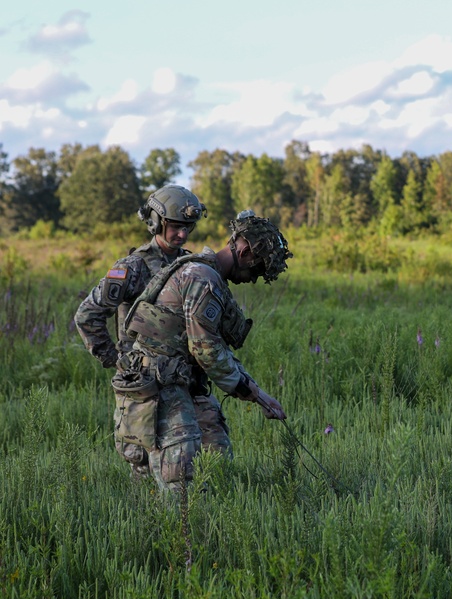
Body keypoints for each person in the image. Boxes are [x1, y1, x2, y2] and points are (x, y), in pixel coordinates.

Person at [113, 212, 292, 494]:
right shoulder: (202, 278)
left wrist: (257, 393)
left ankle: (209, 528)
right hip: (159, 383)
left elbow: (213, 348)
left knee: (216, 453)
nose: (253, 279)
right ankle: (179, 533)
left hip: (181, 378)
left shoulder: (207, 276)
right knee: (181, 477)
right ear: (243, 251)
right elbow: (205, 350)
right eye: (256, 270)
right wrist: (253, 393)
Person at [75, 184, 207, 478]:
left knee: (206, 461)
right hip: (146, 385)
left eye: (188, 227)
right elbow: (87, 314)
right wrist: (115, 359)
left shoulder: (193, 265)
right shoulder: (133, 267)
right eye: (175, 226)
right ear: (156, 222)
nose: (182, 234)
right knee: (146, 467)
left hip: (186, 379)